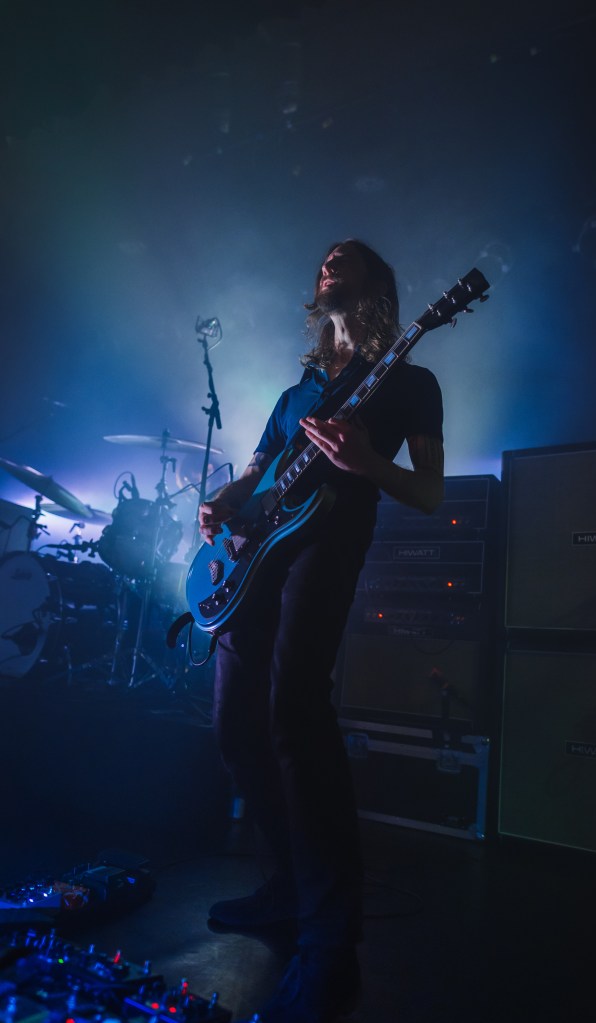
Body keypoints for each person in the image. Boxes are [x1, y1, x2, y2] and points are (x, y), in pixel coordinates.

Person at [198, 239, 444, 1023]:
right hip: (254, 558)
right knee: (234, 725)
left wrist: (367, 461)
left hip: (327, 545)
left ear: (376, 283)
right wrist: (225, 502)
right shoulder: (294, 393)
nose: (330, 259)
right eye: (325, 257)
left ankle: (331, 941)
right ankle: (284, 887)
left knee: (294, 716)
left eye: (349, 256)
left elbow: (429, 492)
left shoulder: (409, 382)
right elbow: (257, 471)